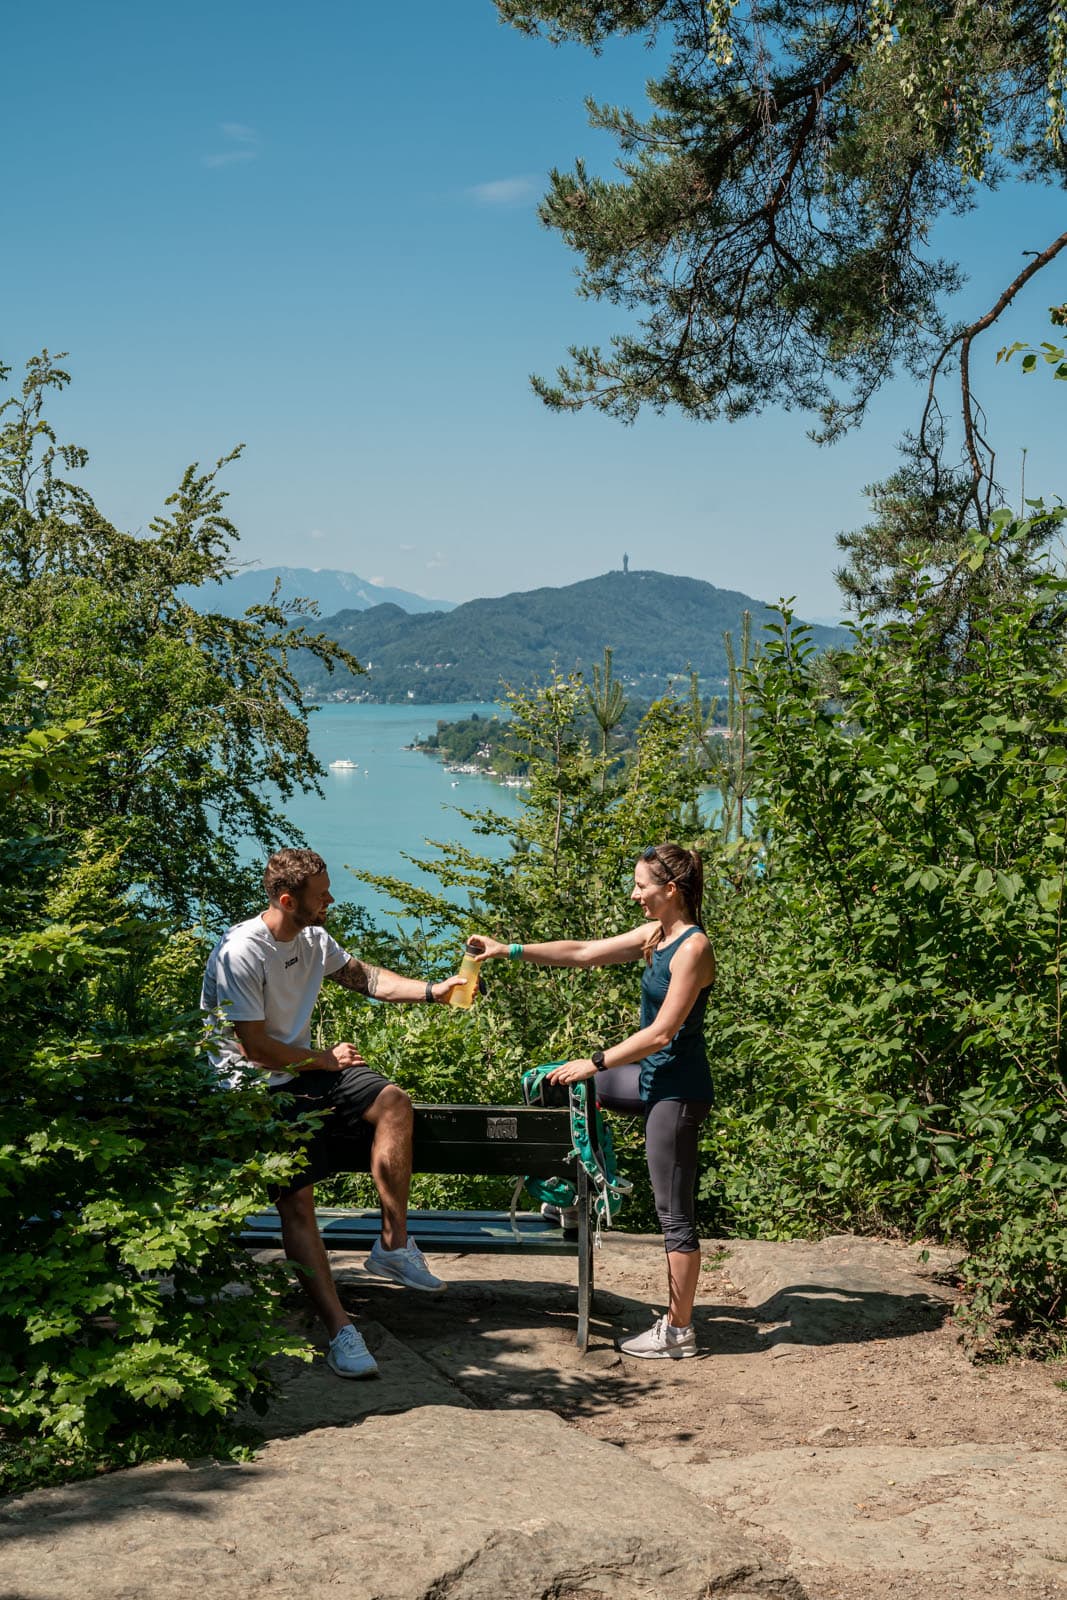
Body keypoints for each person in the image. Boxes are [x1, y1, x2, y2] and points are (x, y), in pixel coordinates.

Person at [201, 847, 465, 1380]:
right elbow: (253, 1047)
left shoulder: (313, 939)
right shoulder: (241, 952)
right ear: (286, 899)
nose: (330, 900)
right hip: (253, 1087)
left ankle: (393, 1245)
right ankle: (342, 1331)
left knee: (393, 1101)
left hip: (304, 1071)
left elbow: (367, 979)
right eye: (321, 895)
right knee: (298, 1205)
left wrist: (436, 991)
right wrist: (321, 1059)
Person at [472, 843, 715, 1360]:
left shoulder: (692, 948)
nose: (635, 895)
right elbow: (584, 952)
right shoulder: (658, 934)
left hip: (676, 1092)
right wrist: (508, 950)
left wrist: (598, 1061)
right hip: (648, 1080)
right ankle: (576, 1203)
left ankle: (679, 1331)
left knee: (674, 1214)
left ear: (671, 890)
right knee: (559, 1086)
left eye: (642, 887)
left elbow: (663, 1033)